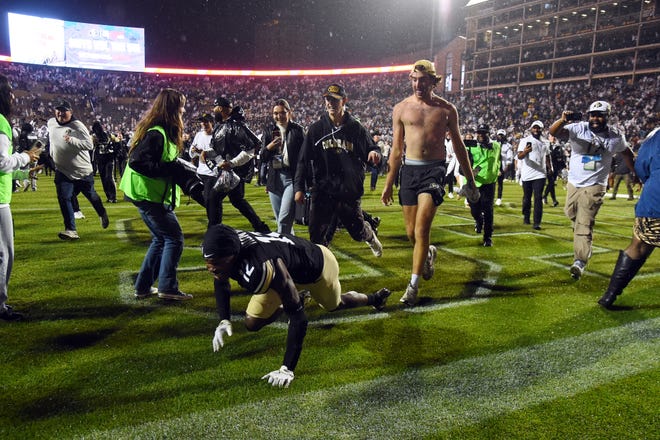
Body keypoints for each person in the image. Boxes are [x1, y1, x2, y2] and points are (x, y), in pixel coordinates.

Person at [202, 224, 391, 387]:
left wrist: (287, 368)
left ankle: (375, 298)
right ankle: (297, 297)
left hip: (318, 267)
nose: (211, 268)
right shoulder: (229, 245)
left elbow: (299, 318)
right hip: (288, 268)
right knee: (252, 322)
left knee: (335, 304)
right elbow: (220, 279)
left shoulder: (262, 267)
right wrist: (224, 319)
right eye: (208, 263)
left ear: (233, 255)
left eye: (216, 263)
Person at [381, 60, 479, 306]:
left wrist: (471, 180)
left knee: (422, 229)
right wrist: (387, 183)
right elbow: (395, 150)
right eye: (414, 79)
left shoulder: (447, 110)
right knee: (411, 233)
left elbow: (458, 147)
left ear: (433, 82)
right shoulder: (401, 108)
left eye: (423, 80)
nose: (418, 84)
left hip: (434, 172)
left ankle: (412, 286)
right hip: (409, 172)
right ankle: (428, 254)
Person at [118, 88, 194, 301]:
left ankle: (143, 286)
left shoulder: (159, 130)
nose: (184, 109)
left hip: (146, 195)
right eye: (181, 106)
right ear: (172, 108)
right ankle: (168, 287)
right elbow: (138, 162)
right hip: (148, 196)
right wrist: (170, 169)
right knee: (174, 239)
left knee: (161, 239)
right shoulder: (157, 133)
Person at [293, 83, 383, 256]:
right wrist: (299, 188)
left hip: (348, 191)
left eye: (334, 100)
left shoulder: (355, 128)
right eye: (327, 100)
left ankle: (370, 235)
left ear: (344, 101)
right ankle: (320, 272)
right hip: (323, 190)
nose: (330, 103)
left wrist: (374, 153)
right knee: (317, 237)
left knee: (357, 232)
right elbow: (303, 161)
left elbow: (373, 149)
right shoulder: (316, 129)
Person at [549, 100, 634, 280]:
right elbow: (553, 132)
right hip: (574, 182)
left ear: (607, 117)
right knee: (570, 212)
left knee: (584, 221)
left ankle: (580, 260)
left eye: (600, 115)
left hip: (596, 183)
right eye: (593, 115)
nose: (595, 118)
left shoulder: (616, 136)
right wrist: (563, 119)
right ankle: (584, 235)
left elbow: (626, 152)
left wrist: (636, 171)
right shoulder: (579, 128)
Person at [598, 127, 659, 309]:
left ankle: (609, 296)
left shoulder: (655, 134)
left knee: (638, 245)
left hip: (654, 198)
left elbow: (641, 166)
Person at [0, 74, 42, 321]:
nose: (14, 96)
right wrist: (25, 157)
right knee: (4, 254)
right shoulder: (2, 123)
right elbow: (1, 162)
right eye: (10, 91)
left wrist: (26, 168)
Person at [48, 100, 109, 240]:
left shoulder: (77, 126)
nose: (60, 113)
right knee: (64, 198)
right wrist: (52, 153)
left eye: (64, 110)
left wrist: (72, 141)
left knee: (91, 195)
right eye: (58, 110)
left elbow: (89, 145)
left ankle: (101, 212)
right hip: (63, 170)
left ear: (71, 112)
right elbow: (53, 139)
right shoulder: (51, 123)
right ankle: (71, 230)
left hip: (81, 171)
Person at [207, 96, 270, 232]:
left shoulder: (236, 125)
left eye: (215, 108)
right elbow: (217, 149)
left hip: (233, 172)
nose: (214, 111)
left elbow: (251, 149)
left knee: (213, 198)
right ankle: (260, 227)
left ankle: (214, 231)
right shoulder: (222, 126)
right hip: (229, 170)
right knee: (237, 200)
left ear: (221, 108)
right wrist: (206, 153)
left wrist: (232, 163)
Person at [261, 98, 304, 235]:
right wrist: (269, 147)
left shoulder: (298, 130)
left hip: (292, 178)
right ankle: (291, 250)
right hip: (274, 178)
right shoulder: (268, 131)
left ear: (289, 112)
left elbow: (305, 158)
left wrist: (303, 184)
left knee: (284, 220)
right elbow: (262, 157)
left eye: (282, 112)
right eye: (275, 113)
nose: (278, 116)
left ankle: (280, 251)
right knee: (282, 219)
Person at [466, 124, 501, 247]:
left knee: (488, 210)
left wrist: (497, 171)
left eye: (483, 132)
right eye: (479, 132)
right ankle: (478, 220)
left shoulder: (496, 146)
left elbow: (498, 160)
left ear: (488, 133)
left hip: (489, 183)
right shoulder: (471, 147)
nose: (480, 134)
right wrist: (470, 172)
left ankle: (488, 237)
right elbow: (463, 166)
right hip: (474, 184)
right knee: (474, 210)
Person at [517, 120, 551, 230]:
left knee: (538, 198)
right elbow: (519, 156)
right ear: (531, 129)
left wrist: (550, 168)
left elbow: (547, 156)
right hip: (527, 173)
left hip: (540, 173)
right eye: (534, 128)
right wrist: (525, 152)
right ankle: (526, 216)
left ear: (541, 129)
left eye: (538, 128)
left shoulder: (546, 142)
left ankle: (537, 222)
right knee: (527, 198)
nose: (536, 130)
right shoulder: (524, 141)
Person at [188, 112, 219, 226]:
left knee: (208, 198)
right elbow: (191, 152)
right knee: (194, 193)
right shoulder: (198, 135)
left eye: (206, 121)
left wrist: (203, 152)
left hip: (212, 173)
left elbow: (218, 153)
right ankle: (214, 210)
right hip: (200, 172)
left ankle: (213, 221)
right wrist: (194, 151)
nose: (203, 124)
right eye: (202, 122)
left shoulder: (217, 135)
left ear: (212, 122)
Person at [91, 121, 117, 203]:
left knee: (107, 178)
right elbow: (116, 140)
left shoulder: (96, 136)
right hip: (105, 159)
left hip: (105, 159)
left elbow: (116, 141)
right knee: (106, 178)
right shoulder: (105, 135)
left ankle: (112, 196)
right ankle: (111, 196)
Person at [542, 134, 566, 207]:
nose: (553, 138)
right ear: (548, 137)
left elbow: (560, 157)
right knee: (551, 182)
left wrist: (562, 166)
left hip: (554, 167)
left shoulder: (558, 146)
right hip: (547, 166)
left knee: (551, 183)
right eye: (551, 136)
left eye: (554, 136)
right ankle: (545, 196)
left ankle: (553, 200)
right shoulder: (545, 145)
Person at [495, 128, 513, 206]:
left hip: (501, 166)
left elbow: (509, 160)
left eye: (502, 135)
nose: (500, 136)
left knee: (500, 183)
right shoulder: (493, 144)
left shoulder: (508, 146)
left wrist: (503, 171)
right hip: (493, 166)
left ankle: (499, 198)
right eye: (499, 135)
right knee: (490, 183)